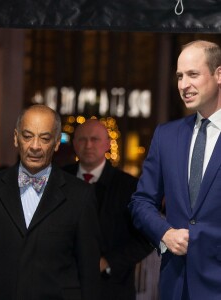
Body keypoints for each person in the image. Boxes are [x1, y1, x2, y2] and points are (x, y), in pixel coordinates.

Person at [0, 104, 101, 300]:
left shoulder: (80, 195)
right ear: (16, 138)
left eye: (44, 138)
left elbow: (88, 269)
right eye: (27, 136)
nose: (35, 146)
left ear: (56, 143)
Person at [129, 40, 221, 300]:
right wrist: (165, 233)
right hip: (175, 285)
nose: (183, 85)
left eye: (193, 74)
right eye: (179, 76)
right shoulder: (166, 136)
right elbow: (141, 202)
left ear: (219, 75)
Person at [63, 119, 153, 300]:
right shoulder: (58, 179)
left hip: (112, 288)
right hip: (62, 286)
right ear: (74, 144)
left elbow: (147, 238)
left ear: (107, 144)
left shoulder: (130, 186)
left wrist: (108, 262)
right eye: (82, 139)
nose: (88, 145)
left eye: (95, 139)